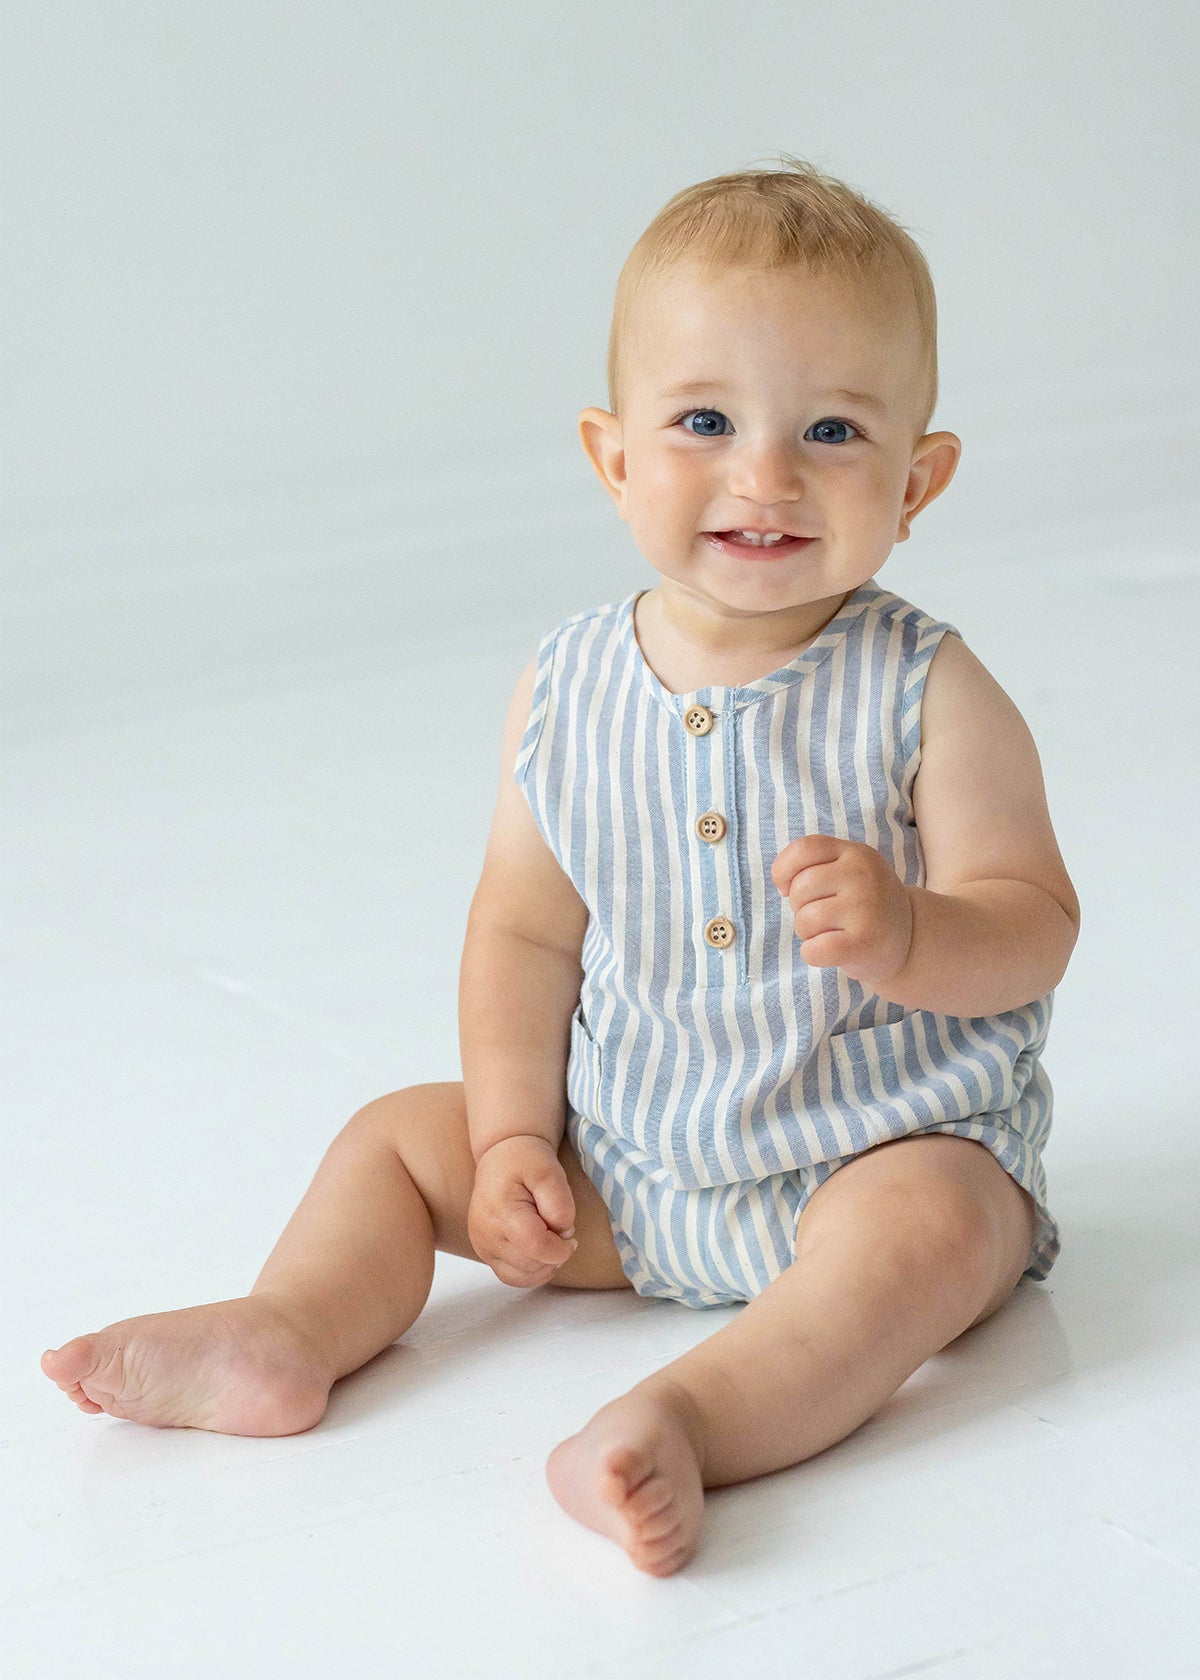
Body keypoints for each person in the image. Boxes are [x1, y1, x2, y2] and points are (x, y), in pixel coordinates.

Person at [41, 157, 1080, 1578]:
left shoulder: (929, 690)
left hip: (869, 1153)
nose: (763, 474)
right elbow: (523, 931)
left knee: (947, 1226)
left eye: (832, 430)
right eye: (704, 420)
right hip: (635, 1165)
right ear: (614, 457)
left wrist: (912, 932)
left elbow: (1034, 923)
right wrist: (521, 1138)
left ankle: (685, 1420)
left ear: (922, 479)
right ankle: (288, 1329)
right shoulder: (569, 685)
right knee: (400, 1140)